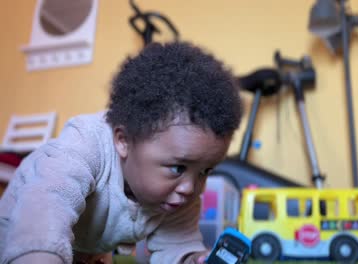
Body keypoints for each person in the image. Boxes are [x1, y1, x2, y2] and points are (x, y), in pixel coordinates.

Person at [0, 42, 243, 264]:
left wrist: (192, 258)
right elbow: (45, 211)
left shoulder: (177, 195)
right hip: (19, 240)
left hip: (82, 247)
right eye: (178, 168)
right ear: (123, 140)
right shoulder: (83, 145)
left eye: (205, 171)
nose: (191, 188)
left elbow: (178, 245)